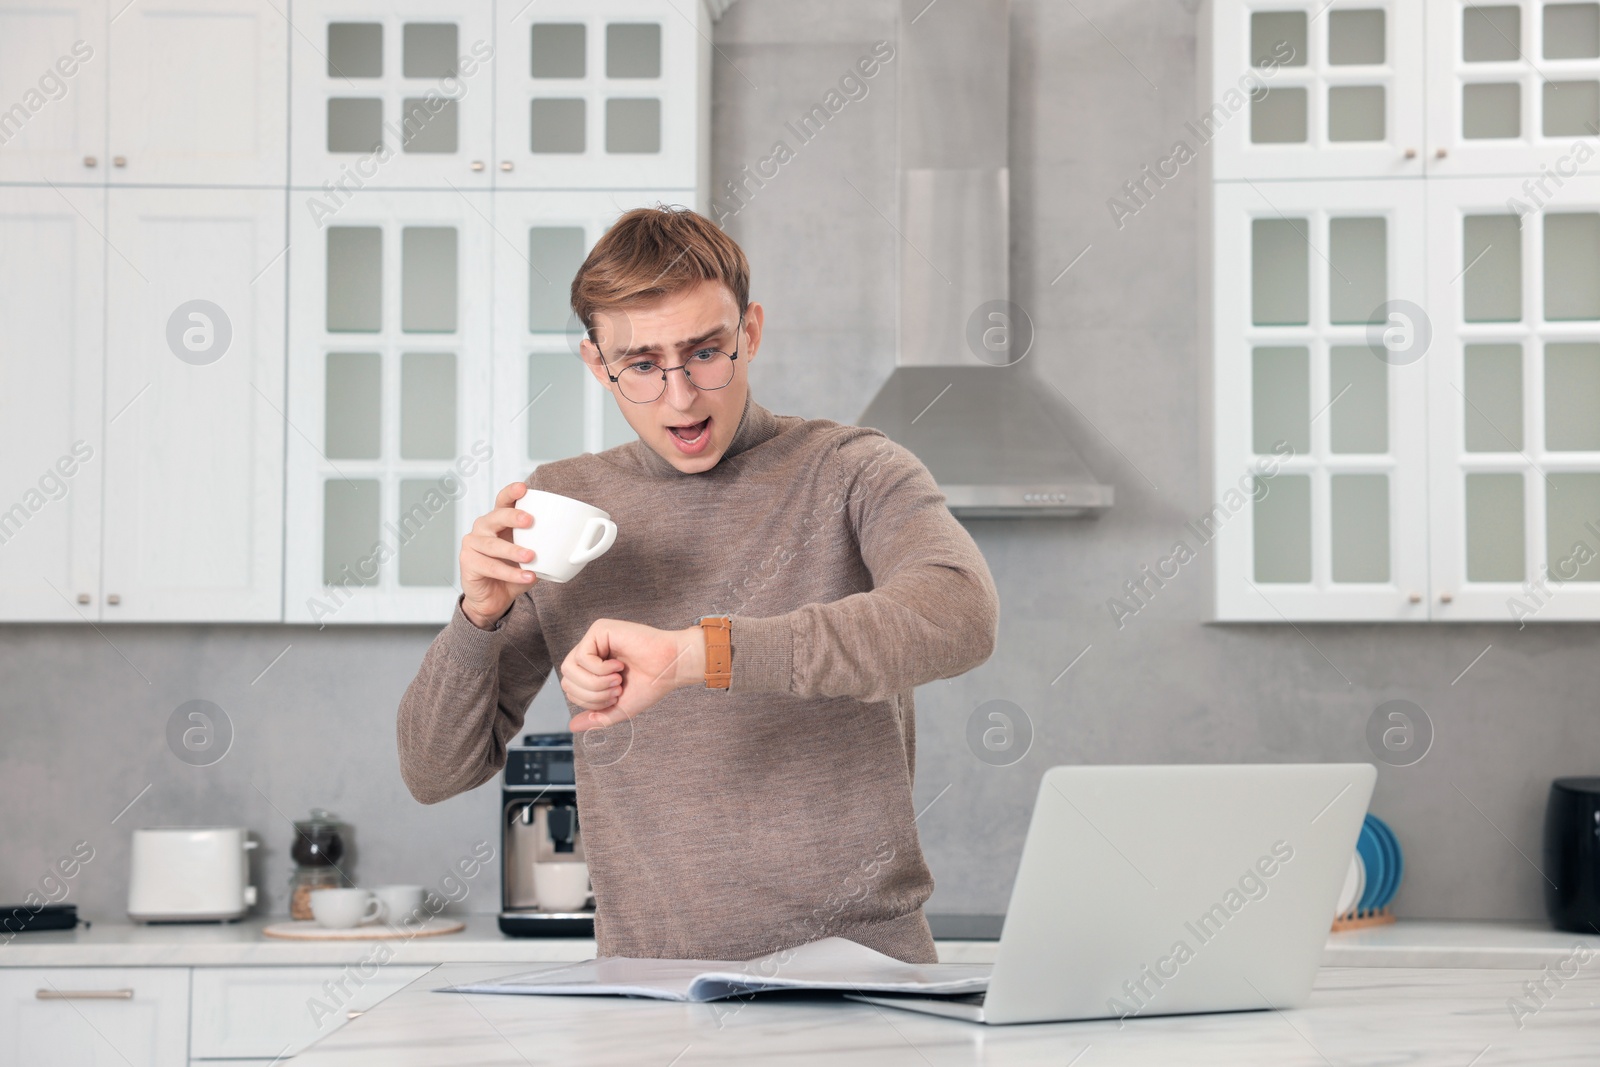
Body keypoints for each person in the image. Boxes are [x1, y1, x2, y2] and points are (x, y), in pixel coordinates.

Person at [396, 204, 1000, 964]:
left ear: (749, 332)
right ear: (596, 363)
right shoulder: (561, 507)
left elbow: (959, 612)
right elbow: (434, 769)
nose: (680, 396)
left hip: (863, 971)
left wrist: (697, 656)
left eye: (706, 352)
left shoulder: (853, 470)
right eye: (642, 365)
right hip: (652, 988)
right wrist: (475, 619)